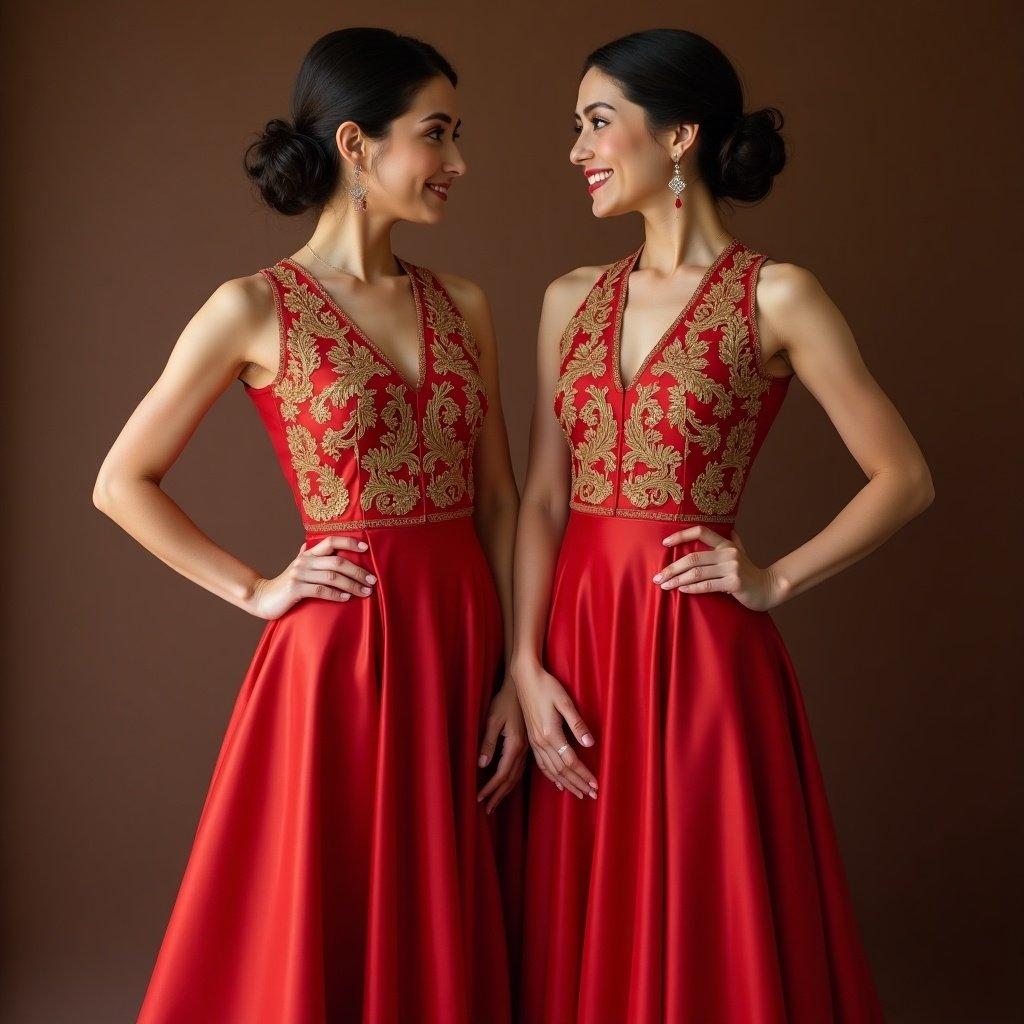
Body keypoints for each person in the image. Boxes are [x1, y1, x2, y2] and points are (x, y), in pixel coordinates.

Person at [93, 28, 526, 1024]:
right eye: (437, 134)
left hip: (463, 641)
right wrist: (255, 589)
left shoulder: (463, 304)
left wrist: (519, 665)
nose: (457, 162)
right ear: (356, 144)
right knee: (329, 913)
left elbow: (498, 497)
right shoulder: (251, 308)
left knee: (448, 910)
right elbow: (123, 481)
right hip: (343, 656)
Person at [512, 28, 933, 1023]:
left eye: (598, 122)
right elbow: (540, 499)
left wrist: (774, 579)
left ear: (681, 134)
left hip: (696, 649)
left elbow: (902, 476)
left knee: (706, 914)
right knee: (587, 914)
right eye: (577, 126)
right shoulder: (568, 299)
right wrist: (525, 665)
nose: (577, 148)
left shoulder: (775, 294)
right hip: (576, 646)